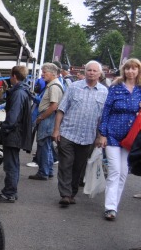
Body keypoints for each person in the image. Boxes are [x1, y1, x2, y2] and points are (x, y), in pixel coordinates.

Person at [52, 60, 109, 206]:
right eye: (89, 70)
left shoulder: (104, 92)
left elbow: (103, 118)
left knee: (78, 167)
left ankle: (72, 193)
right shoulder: (74, 87)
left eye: (94, 71)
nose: (91, 73)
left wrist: (100, 136)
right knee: (66, 164)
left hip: (88, 137)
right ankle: (65, 194)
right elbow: (61, 109)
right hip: (68, 133)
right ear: (85, 71)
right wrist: (56, 130)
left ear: (99, 74)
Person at [95, 58, 141, 221]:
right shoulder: (115, 88)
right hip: (113, 133)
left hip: (131, 137)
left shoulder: (140, 89)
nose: (130, 71)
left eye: (134, 68)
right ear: (124, 70)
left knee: (123, 172)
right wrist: (102, 134)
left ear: (138, 71)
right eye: (128, 68)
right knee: (114, 170)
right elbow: (106, 111)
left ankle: (114, 204)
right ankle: (110, 207)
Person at [0, 65, 33, 203]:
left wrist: (5, 128)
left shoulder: (18, 93)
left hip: (14, 133)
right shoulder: (23, 90)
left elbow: (13, 116)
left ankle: (9, 193)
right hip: (17, 132)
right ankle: (11, 192)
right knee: (13, 163)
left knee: (11, 165)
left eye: (10, 75)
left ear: (14, 76)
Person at [29, 63, 64, 181]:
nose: (42, 75)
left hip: (47, 118)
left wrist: (41, 117)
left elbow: (54, 106)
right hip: (49, 118)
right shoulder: (54, 85)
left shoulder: (53, 86)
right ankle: (48, 171)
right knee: (47, 146)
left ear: (52, 73)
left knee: (43, 145)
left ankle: (43, 172)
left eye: (44, 72)